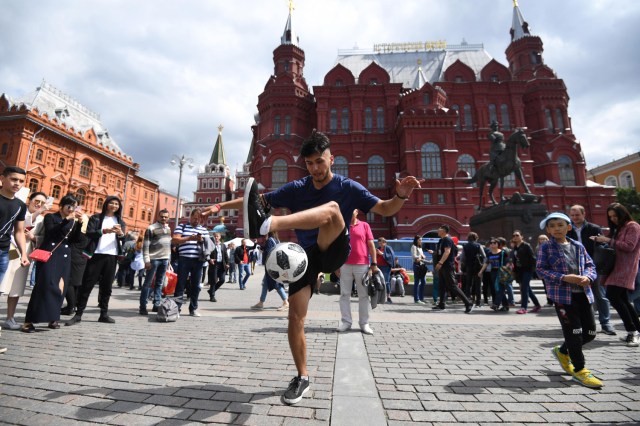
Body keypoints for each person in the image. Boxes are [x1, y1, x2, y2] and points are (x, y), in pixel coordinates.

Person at [202, 129, 421, 405]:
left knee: (331, 209)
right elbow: (255, 202)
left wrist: (400, 196)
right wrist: (218, 206)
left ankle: (269, 225)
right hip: (304, 258)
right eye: (309, 163)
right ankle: (302, 377)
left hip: (333, 249)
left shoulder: (348, 187)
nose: (315, 168)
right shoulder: (298, 188)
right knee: (295, 317)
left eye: (320, 161)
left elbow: (386, 209)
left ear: (332, 159)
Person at [536, 212, 601, 388]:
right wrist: (564, 277)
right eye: (552, 226)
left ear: (569, 227)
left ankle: (562, 351)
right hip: (563, 297)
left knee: (590, 333)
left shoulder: (578, 246)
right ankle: (580, 371)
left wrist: (588, 277)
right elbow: (541, 270)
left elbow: (590, 266)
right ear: (548, 230)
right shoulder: (546, 247)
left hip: (583, 294)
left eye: (560, 225)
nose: (556, 228)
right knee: (574, 332)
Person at [21, 194, 83, 332]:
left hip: (65, 256)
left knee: (61, 287)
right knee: (44, 286)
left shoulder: (72, 221)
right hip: (50, 253)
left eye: (74, 206)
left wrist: (79, 223)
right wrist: (66, 220)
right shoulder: (51, 217)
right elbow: (51, 233)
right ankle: (29, 320)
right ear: (61, 206)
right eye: (69, 205)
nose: (71, 208)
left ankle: (53, 318)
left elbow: (74, 239)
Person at [66, 196, 126, 326]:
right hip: (96, 255)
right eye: (112, 203)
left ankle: (103, 314)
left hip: (112, 256)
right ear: (106, 204)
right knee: (87, 285)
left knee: (107, 287)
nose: (114, 206)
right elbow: (90, 233)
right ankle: (78, 314)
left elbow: (123, 239)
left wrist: (120, 233)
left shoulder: (120, 220)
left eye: (116, 204)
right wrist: (105, 231)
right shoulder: (96, 218)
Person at [591, 203, 640, 347]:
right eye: (610, 217)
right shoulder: (620, 228)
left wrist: (607, 240)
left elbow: (629, 246)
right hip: (616, 267)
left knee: (613, 296)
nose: (613, 219)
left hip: (625, 268)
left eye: (615, 216)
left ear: (622, 213)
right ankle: (636, 330)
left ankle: (632, 331)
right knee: (623, 299)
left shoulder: (633, 226)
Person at [1, 191, 48, 330]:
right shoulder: (19, 210)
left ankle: (10, 318)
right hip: (9, 249)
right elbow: (22, 225)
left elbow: (43, 239)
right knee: (2, 283)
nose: (39, 204)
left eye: (42, 203)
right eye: (37, 201)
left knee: (16, 288)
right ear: (30, 200)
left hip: (25, 255)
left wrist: (34, 237)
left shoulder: (43, 220)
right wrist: (37, 213)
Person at [568, 204, 616, 335]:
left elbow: (602, 246)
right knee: (578, 297)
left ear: (584, 214)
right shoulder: (567, 229)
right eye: (572, 215)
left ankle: (606, 323)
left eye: (577, 214)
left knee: (600, 295)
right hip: (574, 267)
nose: (574, 217)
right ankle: (583, 324)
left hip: (593, 267)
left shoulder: (594, 228)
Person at [0, 166, 30, 353]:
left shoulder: (20, 205)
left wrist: (24, 254)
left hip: (3, 252)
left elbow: (18, 231)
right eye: (13, 179)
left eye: (20, 181)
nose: (17, 183)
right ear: (2, 179)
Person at [337, 209, 377, 335]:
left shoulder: (365, 225)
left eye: (352, 209)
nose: (350, 210)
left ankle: (364, 323)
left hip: (362, 265)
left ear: (357, 212)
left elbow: (371, 245)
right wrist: (335, 265)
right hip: (344, 264)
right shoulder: (341, 226)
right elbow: (335, 246)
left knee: (364, 295)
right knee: (344, 294)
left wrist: (374, 264)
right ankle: (346, 322)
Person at [172, 208, 209, 317]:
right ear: (191, 217)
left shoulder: (204, 230)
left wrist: (202, 240)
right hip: (184, 259)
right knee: (180, 285)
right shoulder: (181, 227)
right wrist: (190, 238)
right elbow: (174, 239)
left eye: (199, 219)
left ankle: (193, 309)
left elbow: (208, 246)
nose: (197, 221)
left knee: (196, 286)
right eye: (195, 218)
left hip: (198, 260)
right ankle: (176, 309)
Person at [433, 225, 473, 313]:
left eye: (439, 228)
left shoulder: (447, 240)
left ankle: (468, 303)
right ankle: (441, 304)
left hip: (447, 265)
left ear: (444, 230)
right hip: (443, 266)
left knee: (452, 286)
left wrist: (440, 262)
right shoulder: (441, 240)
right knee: (442, 285)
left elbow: (447, 251)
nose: (437, 230)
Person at [138, 209, 172, 314]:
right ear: (158, 216)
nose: (164, 218)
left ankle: (156, 304)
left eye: (166, 217)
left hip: (164, 259)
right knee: (147, 283)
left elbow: (168, 244)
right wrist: (146, 260)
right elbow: (146, 245)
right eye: (162, 216)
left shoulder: (168, 228)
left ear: (168, 218)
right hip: (153, 259)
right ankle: (143, 306)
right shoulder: (151, 228)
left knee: (160, 283)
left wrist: (168, 259)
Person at [60, 211, 89, 316]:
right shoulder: (88, 232)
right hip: (82, 259)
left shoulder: (78, 230)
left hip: (73, 257)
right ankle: (71, 306)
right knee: (76, 283)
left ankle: (70, 307)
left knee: (69, 283)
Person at [251, 231, 288, 311]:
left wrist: (263, 251)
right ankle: (261, 302)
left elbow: (269, 252)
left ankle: (286, 302)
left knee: (276, 284)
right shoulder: (276, 240)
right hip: (276, 266)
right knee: (265, 284)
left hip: (271, 266)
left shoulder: (270, 240)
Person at [511, 230, 541, 314]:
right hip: (519, 270)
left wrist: (535, 269)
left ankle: (523, 308)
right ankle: (537, 305)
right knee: (527, 289)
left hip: (527, 270)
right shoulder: (516, 247)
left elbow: (533, 258)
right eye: (514, 236)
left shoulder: (526, 245)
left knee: (524, 288)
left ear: (521, 236)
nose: (515, 237)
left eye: (517, 235)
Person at [479, 238, 509, 311]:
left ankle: (496, 304)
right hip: (493, 272)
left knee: (500, 288)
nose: (492, 244)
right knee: (497, 289)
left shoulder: (503, 252)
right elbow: (486, 263)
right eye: (491, 243)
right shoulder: (489, 253)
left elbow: (508, 262)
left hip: (501, 272)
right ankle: (505, 305)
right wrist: (481, 271)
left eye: (494, 243)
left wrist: (506, 270)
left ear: (498, 244)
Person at [460, 232, 485, 307]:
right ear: (476, 238)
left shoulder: (465, 246)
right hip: (477, 266)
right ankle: (478, 302)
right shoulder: (478, 245)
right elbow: (484, 255)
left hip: (469, 266)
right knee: (478, 284)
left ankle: (467, 301)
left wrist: (463, 265)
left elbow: (462, 258)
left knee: (468, 284)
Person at [207, 232, 228, 302]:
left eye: (217, 236)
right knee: (213, 281)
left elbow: (225, 255)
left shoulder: (223, 245)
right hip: (214, 264)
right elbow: (207, 254)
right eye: (215, 236)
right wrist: (209, 260)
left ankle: (211, 291)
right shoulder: (211, 245)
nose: (216, 237)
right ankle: (212, 296)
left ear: (220, 237)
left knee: (222, 280)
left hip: (222, 265)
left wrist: (227, 263)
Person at [376, 237, 395, 304]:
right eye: (379, 243)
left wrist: (382, 254)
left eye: (381, 243)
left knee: (386, 281)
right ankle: (380, 298)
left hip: (386, 267)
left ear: (385, 242)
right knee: (379, 282)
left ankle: (388, 298)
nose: (380, 244)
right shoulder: (378, 249)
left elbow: (391, 257)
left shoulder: (388, 248)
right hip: (378, 266)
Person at [411, 235, 427, 305]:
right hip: (416, 265)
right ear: (416, 240)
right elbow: (414, 256)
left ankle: (421, 298)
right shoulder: (413, 247)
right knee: (417, 282)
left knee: (423, 281)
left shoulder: (420, 248)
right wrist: (421, 257)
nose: (421, 241)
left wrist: (422, 257)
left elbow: (422, 256)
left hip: (422, 265)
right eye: (420, 240)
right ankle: (416, 299)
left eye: (421, 240)